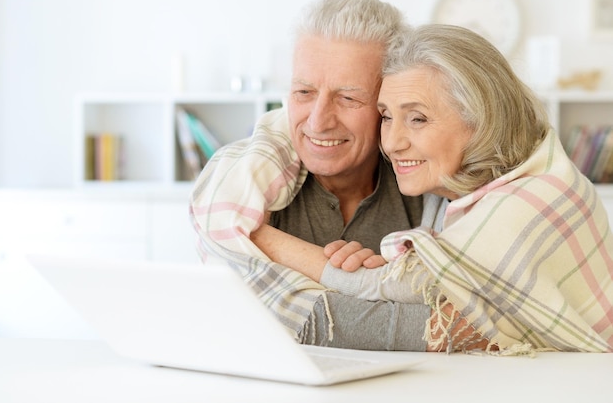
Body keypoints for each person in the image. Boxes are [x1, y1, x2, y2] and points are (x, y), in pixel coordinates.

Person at [259, 24, 613, 353]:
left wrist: (254, 237)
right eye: (386, 117)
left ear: (481, 119)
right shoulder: (453, 194)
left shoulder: (532, 199)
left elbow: (394, 287)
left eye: (418, 118)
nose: (392, 144)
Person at [190, 0, 463, 352]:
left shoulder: (430, 184)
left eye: (348, 98)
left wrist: (280, 252)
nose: (318, 121)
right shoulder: (239, 184)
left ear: (388, 105)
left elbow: (470, 319)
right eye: (304, 92)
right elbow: (239, 317)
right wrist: (385, 293)